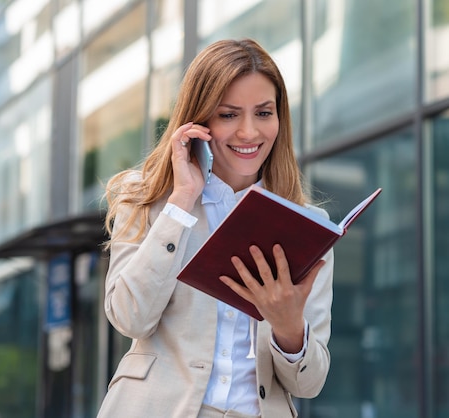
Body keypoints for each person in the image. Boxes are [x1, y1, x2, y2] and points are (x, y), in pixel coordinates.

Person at [96, 38, 333, 418]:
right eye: (228, 115)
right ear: (198, 120)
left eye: (263, 113)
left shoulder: (307, 226)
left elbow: (309, 384)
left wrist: (290, 330)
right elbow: (129, 318)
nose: (249, 132)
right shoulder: (146, 199)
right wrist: (182, 201)